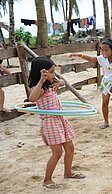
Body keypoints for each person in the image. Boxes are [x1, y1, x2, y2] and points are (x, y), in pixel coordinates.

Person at [28, 57, 85, 188]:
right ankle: (47, 180)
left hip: (60, 120)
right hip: (50, 122)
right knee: (57, 152)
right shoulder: (40, 88)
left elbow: (63, 82)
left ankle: (68, 172)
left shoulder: (51, 82)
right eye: (52, 72)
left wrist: (57, 83)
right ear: (43, 73)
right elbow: (31, 99)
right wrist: (42, 81)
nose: (54, 74)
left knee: (70, 148)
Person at [69, 38, 112, 129]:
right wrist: (78, 54)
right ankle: (106, 121)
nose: (103, 52)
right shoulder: (102, 59)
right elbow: (91, 59)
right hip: (106, 83)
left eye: (106, 50)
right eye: (102, 50)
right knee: (105, 102)